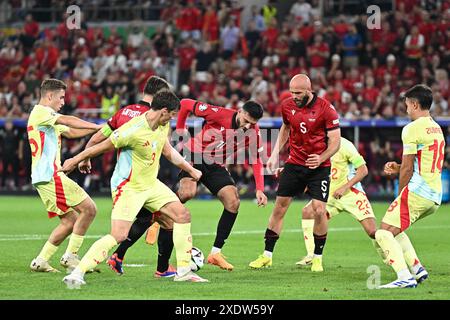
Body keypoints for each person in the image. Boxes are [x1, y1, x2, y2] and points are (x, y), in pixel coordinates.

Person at [60, 90, 208, 288]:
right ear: (164, 111)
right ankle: (77, 273)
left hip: (151, 184)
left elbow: (167, 151)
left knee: (182, 215)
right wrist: (76, 159)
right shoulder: (132, 130)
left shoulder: (162, 126)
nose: (173, 118)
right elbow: (101, 147)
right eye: (172, 114)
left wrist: (190, 169)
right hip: (129, 187)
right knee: (119, 235)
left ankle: (183, 272)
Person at [77, 76, 176, 278]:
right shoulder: (152, 118)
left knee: (151, 218)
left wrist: (85, 157)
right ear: (160, 97)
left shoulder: (123, 112)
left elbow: (99, 136)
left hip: (122, 177)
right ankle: (162, 268)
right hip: (136, 182)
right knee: (164, 220)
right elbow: (166, 149)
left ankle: (118, 257)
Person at [249, 74, 341, 269]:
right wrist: (275, 153)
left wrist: (322, 157)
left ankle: (317, 258)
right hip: (294, 163)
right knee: (279, 207)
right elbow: (285, 128)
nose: (294, 96)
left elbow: (335, 142)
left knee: (319, 210)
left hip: (319, 167)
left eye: (298, 93)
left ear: (309, 90)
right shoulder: (287, 105)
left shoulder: (326, 109)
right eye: (292, 92)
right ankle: (267, 255)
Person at [175, 98, 268, 271]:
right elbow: (186, 103)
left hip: (215, 163)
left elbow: (256, 161)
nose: (247, 126)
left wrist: (260, 189)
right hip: (195, 154)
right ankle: (159, 215)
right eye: (246, 121)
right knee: (187, 193)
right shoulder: (218, 113)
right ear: (240, 112)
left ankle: (215, 254)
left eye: (252, 124)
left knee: (233, 202)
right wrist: (181, 128)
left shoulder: (253, 132)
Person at [28, 79, 102, 273]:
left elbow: (70, 131)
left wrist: (98, 133)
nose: (63, 102)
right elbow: (67, 120)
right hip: (51, 175)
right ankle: (71, 256)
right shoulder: (41, 112)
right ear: (49, 96)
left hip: (44, 177)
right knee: (89, 209)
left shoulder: (46, 119)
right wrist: (96, 127)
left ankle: (41, 260)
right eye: (61, 97)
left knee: (70, 220)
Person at [375, 84, 444, 289]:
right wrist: (397, 167)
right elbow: (418, 163)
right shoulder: (436, 127)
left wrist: (400, 194)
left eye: (406, 105)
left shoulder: (411, 128)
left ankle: (404, 277)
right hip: (434, 194)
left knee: (382, 234)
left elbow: (407, 168)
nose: (406, 109)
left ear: (414, 104)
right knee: (392, 228)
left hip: (418, 191)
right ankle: (416, 269)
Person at [296, 137, 378, 272]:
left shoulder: (346, 145)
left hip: (351, 193)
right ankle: (312, 255)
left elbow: (363, 170)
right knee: (308, 212)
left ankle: (391, 256)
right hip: (329, 194)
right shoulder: (317, 145)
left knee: (372, 231)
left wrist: (345, 187)